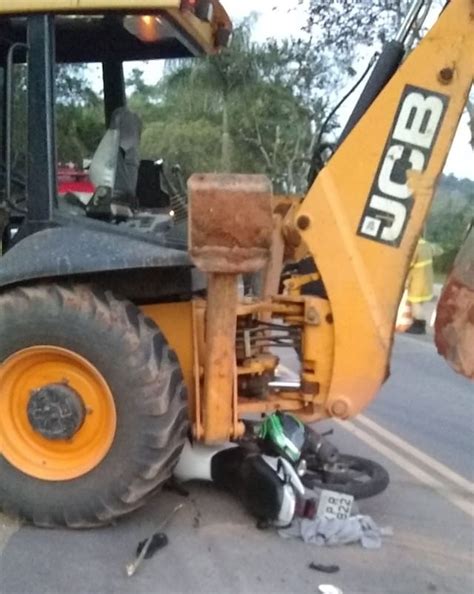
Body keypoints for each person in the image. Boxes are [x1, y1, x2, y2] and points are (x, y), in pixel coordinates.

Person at [406, 237, 434, 334]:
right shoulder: (426, 245)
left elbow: (408, 263)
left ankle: (419, 326)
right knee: (418, 304)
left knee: (415, 304)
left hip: (418, 281)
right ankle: (416, 323)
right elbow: (439, 250)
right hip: (426, 280)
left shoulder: (416, 247)